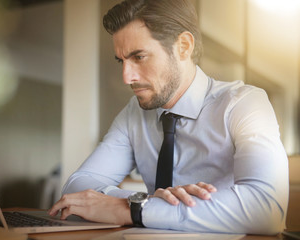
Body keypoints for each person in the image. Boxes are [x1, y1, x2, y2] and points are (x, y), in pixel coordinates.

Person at [49, 0, 289, 234]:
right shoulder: (135, 112)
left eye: (139, 57)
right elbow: (77, 185)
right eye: (121, 61)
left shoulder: (244, 103)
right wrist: (141, 202)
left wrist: (135, 211)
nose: (126, 77)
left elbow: (267, 209)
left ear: (183, 46)